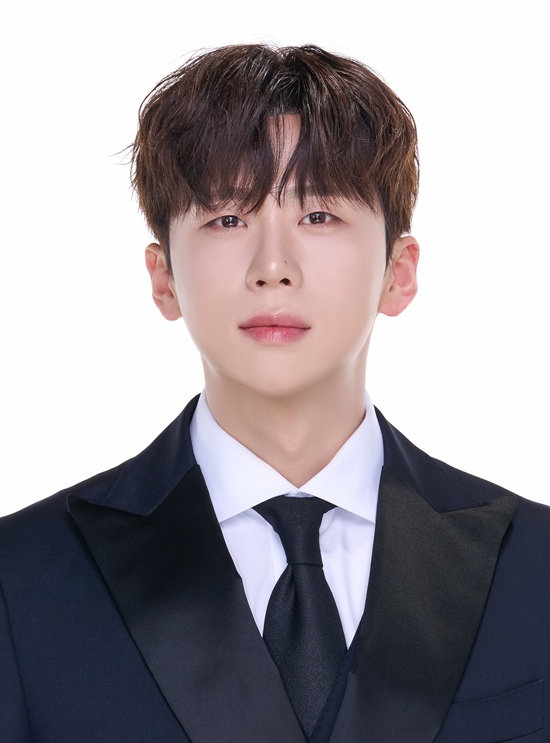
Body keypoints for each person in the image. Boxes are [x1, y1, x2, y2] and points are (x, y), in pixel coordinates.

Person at [1, 44, 548, 743]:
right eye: (227, 218)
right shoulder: (21, 577)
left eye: (318, 215)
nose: (272, 267)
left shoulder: (534, 565)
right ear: (163, 278)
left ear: (399, 272)